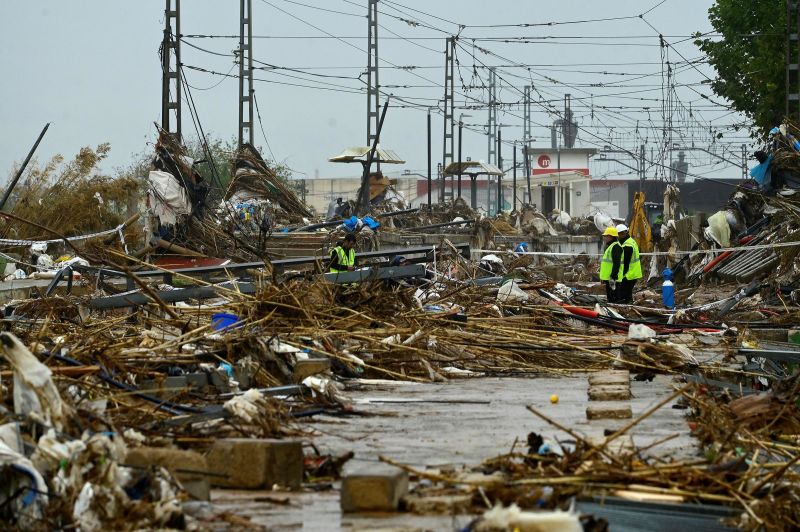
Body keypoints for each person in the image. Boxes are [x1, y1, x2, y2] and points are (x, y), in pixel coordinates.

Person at [616, 223, 642, 303]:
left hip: (629, 273)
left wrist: (621, 275)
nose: (618, 236)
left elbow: (626, 263)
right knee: (627, 293)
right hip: (634, 272)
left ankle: (625, 308)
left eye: (619, 234)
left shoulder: (627, 245)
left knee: (623, 294)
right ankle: (629, 306)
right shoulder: (631, 241)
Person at [598, 226, 622, 303]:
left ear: (611, 236)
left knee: (613, 299)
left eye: (606, 236)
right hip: (609, 278)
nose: (604, 238)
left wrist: (613, 276)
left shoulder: (616, 247)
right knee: (610, 298)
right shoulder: (611, 246)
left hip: (613, 278)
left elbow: (616, 263)